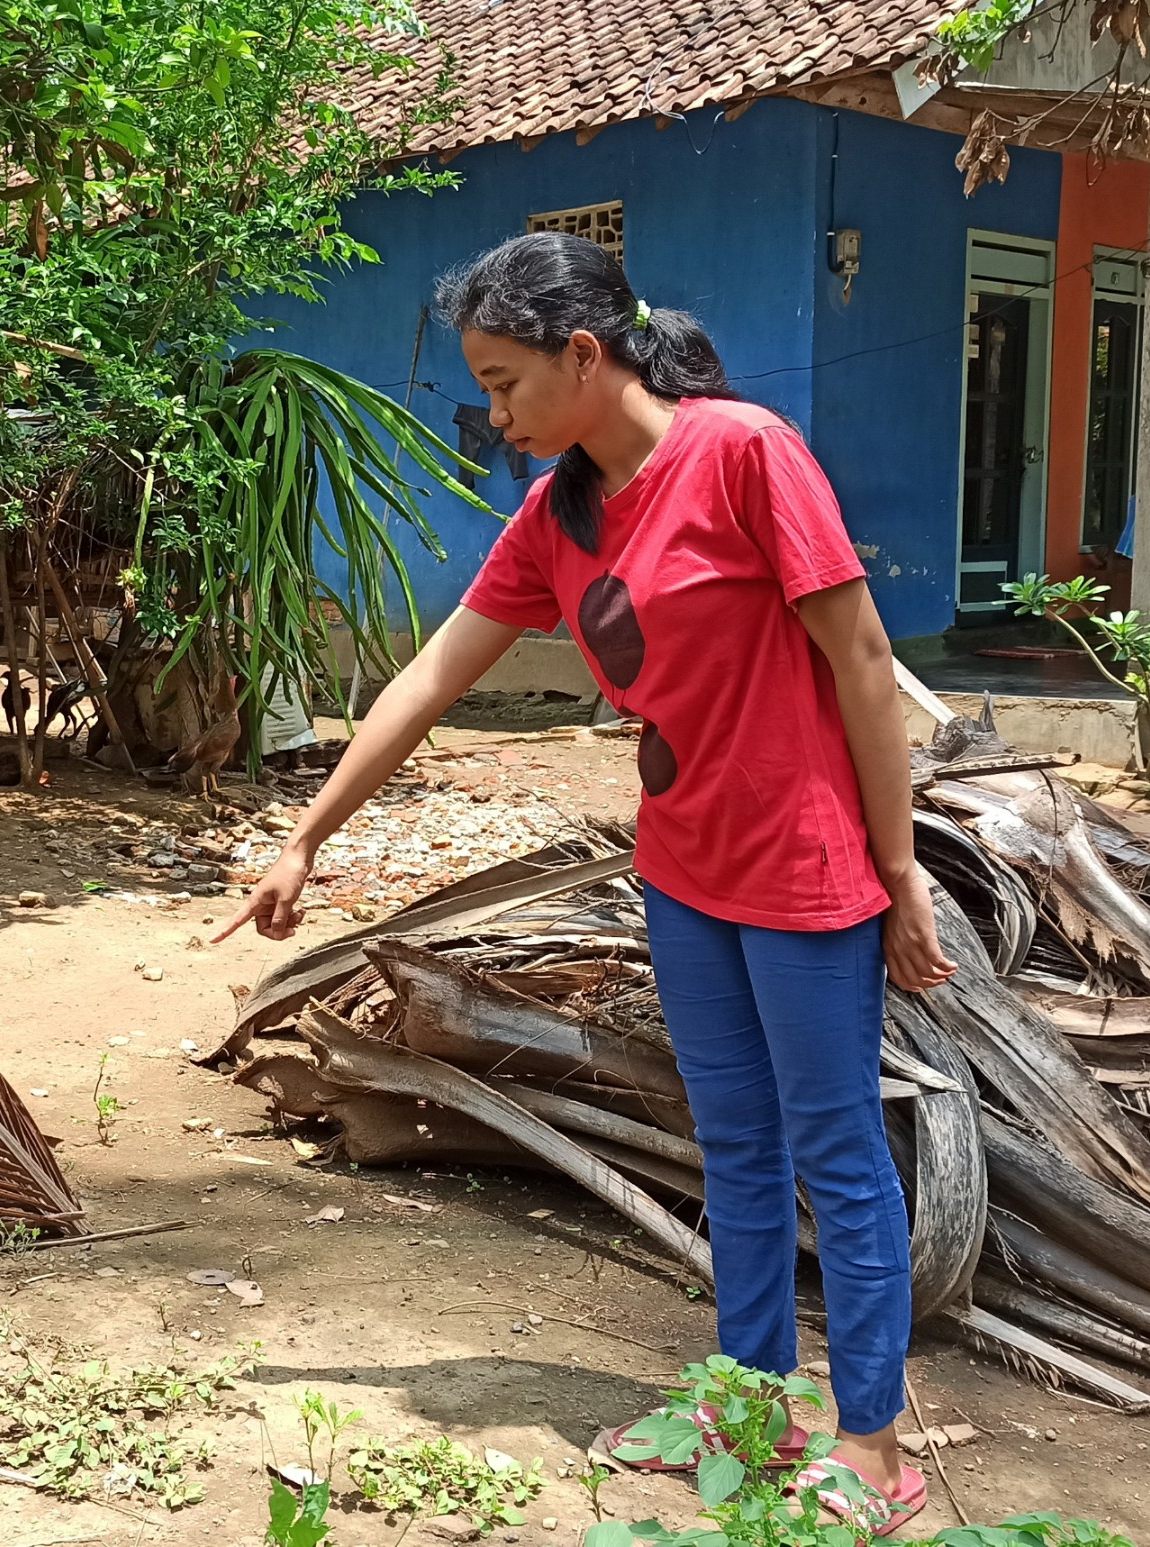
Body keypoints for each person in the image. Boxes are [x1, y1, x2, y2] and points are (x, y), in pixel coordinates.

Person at [215, 232, 955, 1538]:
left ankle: (873, 1444)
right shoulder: (558, 513)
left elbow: (859, 658)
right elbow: (434, 675)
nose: (492, 415)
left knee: (834, 1149)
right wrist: (309, 835)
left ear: (582, 353)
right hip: (682, 871)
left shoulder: (741, 454)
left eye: (504, 384)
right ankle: (743, 1407)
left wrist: (897, 871)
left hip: (802, 863)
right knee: (729, 1143)